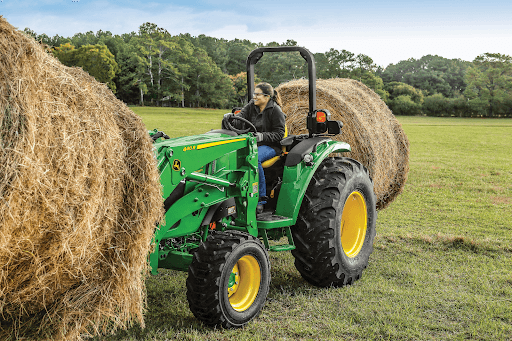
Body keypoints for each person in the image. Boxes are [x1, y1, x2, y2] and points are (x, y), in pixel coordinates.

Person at [227, 82, 286, 212]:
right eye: (254, 94)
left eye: (257, 94)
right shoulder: (251, 106)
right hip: (252, 144)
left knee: (254, 158)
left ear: (266, 97)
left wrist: (262, 136)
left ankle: (261, 198)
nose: (254, 97)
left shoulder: (275, 111)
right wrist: (231, 119)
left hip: (271, 146)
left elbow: (280, 134)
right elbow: (240, 118)